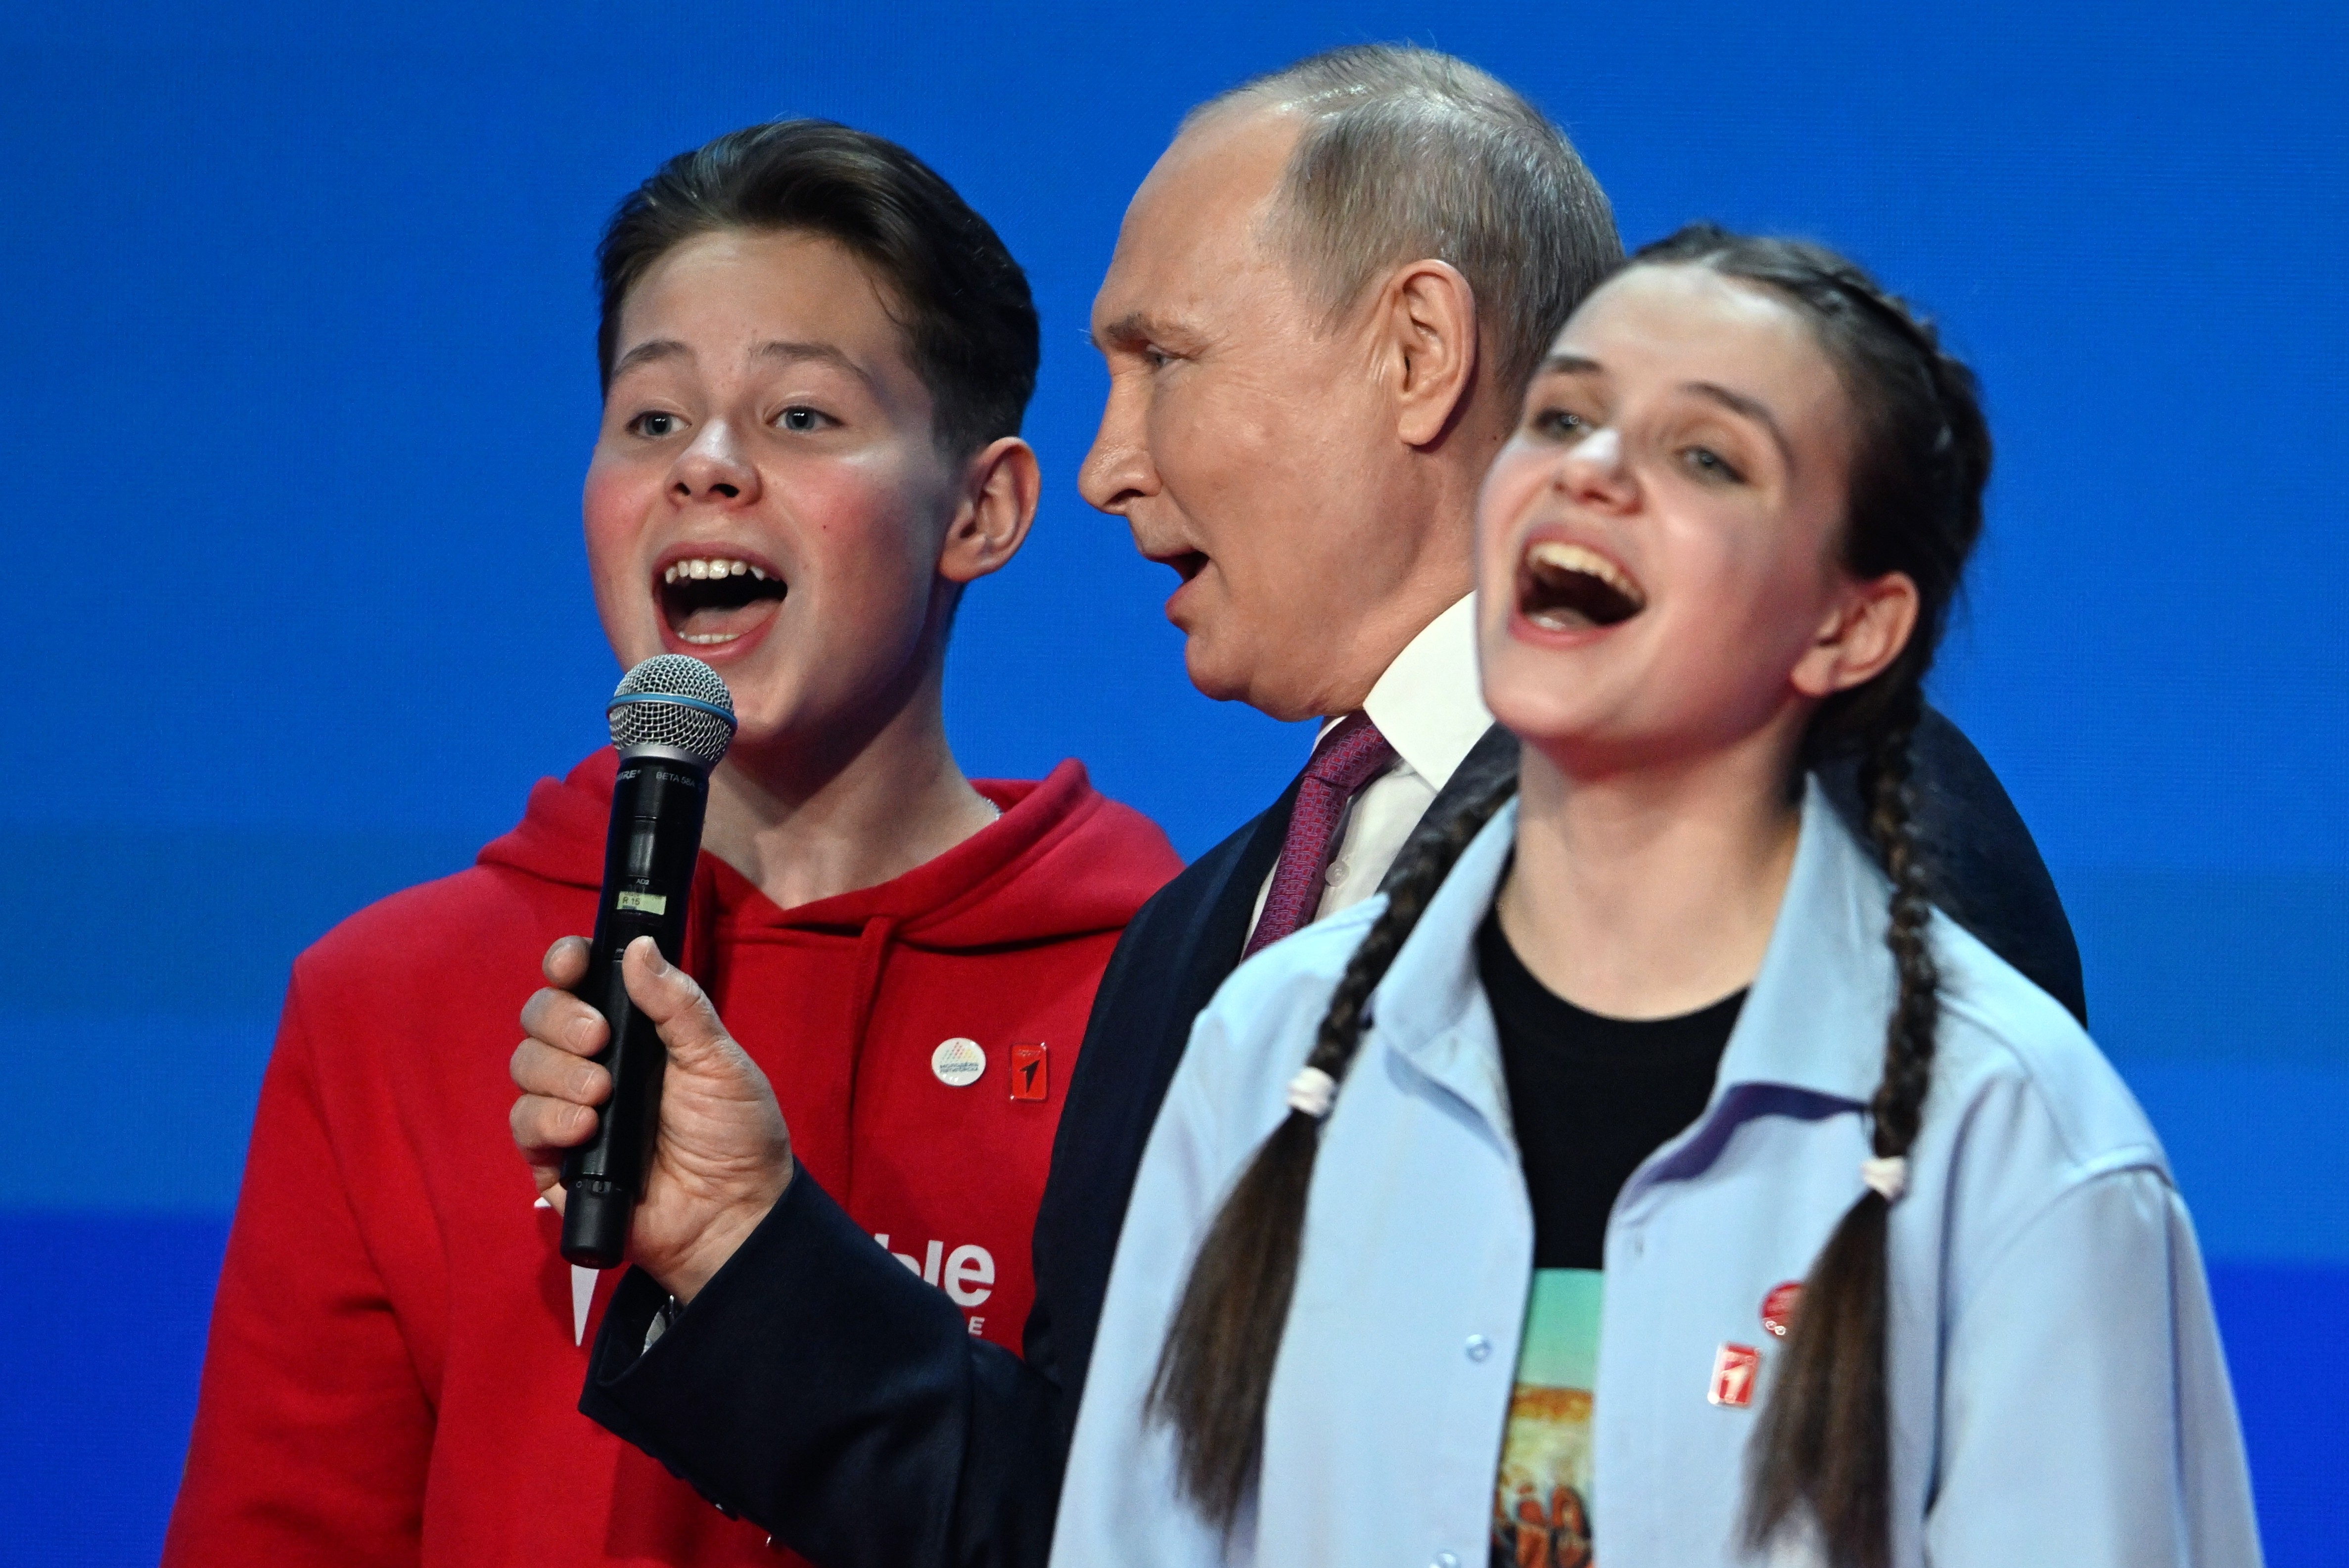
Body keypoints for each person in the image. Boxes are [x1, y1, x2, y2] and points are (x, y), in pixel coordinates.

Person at [509, 47, 2086, 1568]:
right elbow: (1090, 1521)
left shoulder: (1797, 797)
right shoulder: (1195, 948)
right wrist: (741, 1240)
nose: (1107, 465)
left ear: (1417, 352)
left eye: (1163, 361)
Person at [1055, 228, 2260, 1568]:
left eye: (1706, 457)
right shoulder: (1266, 1048)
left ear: (1850, 626)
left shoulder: (2018, 1139)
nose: (1589, 473)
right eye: (1565, 417)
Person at [162, 121, 1181, 1568]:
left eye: (800, 416)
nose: (706, 466)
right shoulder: (389, 1000)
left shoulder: (1175, 994)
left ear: (982, 507)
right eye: (651, 420)